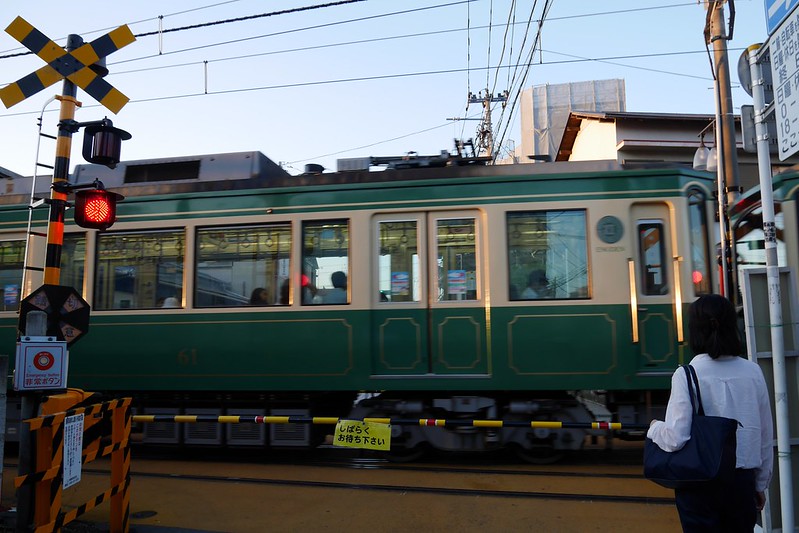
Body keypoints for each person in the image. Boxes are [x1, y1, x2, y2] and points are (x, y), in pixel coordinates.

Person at [647, 294, 773, 532]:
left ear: (695, 329)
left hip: (699, 484)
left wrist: (654, 427)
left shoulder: (687, 374)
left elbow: (675, 438)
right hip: (741, 483)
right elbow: (764, 435)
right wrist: (759, 485)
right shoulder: (753, 371)